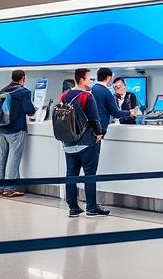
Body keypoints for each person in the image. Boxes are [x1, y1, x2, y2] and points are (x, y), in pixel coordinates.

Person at [60, 68, 108, 218]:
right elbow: (94, 118)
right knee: (89, 174)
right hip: (86, 142)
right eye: (89, 79)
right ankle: (91, 208)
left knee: (71, 175)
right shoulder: (87, 96)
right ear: (81, 80)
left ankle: (73, 207)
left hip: (68, 142)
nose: (91, 82)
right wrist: (99, 133)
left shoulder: (64, 96)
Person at [0, 70, 36, 198]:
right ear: (23, 78)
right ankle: (9, 188)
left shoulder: (3, 90)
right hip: (16, 129)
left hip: (1, 129)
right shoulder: (24, 92)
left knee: (2, 156)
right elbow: (29, 110)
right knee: (14, 158)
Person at [91, 67, 133, 132]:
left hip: (91, 126)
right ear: (109, 78)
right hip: (101, 126)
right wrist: (129, 113)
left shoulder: (92, 89)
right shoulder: (106, 92)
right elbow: (115, 113)